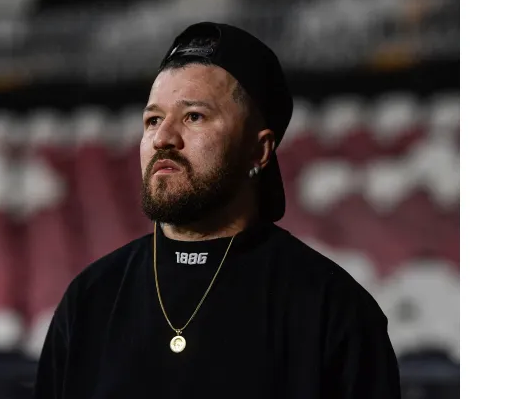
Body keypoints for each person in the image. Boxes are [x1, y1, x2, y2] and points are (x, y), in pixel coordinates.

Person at [33, 22, 401, 399]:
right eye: (153, 120)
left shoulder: (333, 308)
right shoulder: (90, 299)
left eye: (194, 116)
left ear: (259, 151)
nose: (163, 138)